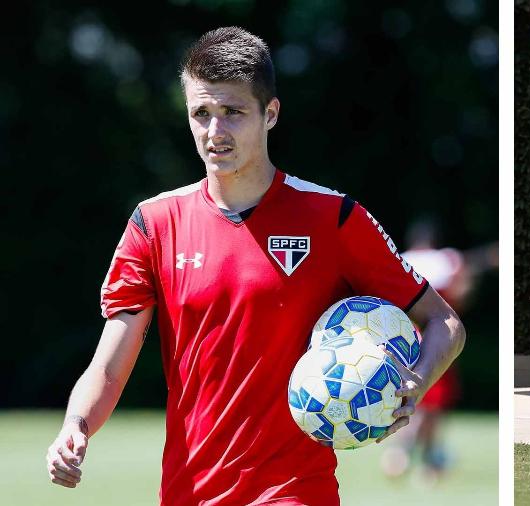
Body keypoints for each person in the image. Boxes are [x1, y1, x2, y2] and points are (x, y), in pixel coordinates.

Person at [45, 27, 465, 505]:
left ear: (270, 113)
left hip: (294, 491)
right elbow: (110, 367)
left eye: (233, 112)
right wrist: (75, 425)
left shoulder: (334, 218)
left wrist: (413, 384)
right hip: (188, 491)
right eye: (201, 114)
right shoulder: (154, 223)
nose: (214, 132)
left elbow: (444, 322)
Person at [380, 220, 497, 482]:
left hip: (402, 344)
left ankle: (424, 455)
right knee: (431, 403)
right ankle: (407, 454)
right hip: (435, 342)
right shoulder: (446, 260)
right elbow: (464, 286)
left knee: (409, 398)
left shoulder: (400, 259)